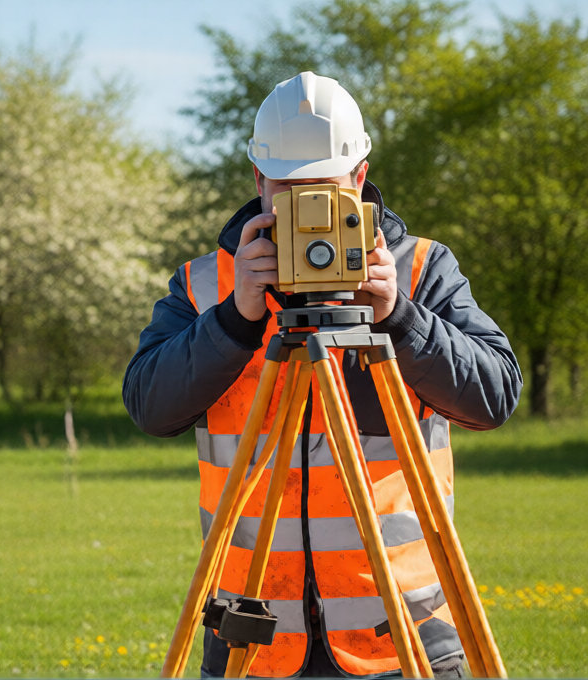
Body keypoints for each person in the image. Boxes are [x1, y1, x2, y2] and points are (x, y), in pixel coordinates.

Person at [123, 71, 522, 678]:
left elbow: (493, 397)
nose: (307, 210)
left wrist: (400, 318)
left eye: (325, 190)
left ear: (360, 177)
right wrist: (234, 319)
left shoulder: (419, 270)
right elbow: (150, 407)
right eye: (289, 189)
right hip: (250, 633)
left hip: (403, 634)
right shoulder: (210, 284)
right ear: (258, 181)